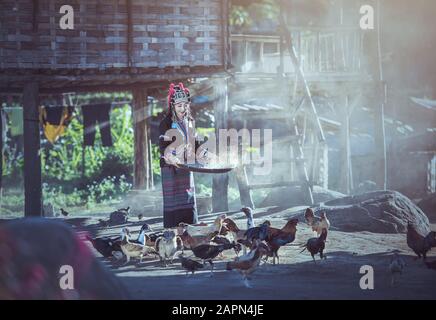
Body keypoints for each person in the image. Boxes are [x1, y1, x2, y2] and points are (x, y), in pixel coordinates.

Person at [159, 83, 204, 228]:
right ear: (173, 106)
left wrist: (205, 155)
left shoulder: (190, 122)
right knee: (174, 202)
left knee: (187, 198)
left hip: (186, 165)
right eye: (179, 106)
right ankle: (173, 233)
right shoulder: (165, 123)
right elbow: (163, 146)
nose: (182, 109)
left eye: (185, 105)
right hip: (171, 167)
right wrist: (171, 158)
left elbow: (196, 144)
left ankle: (189, 232)